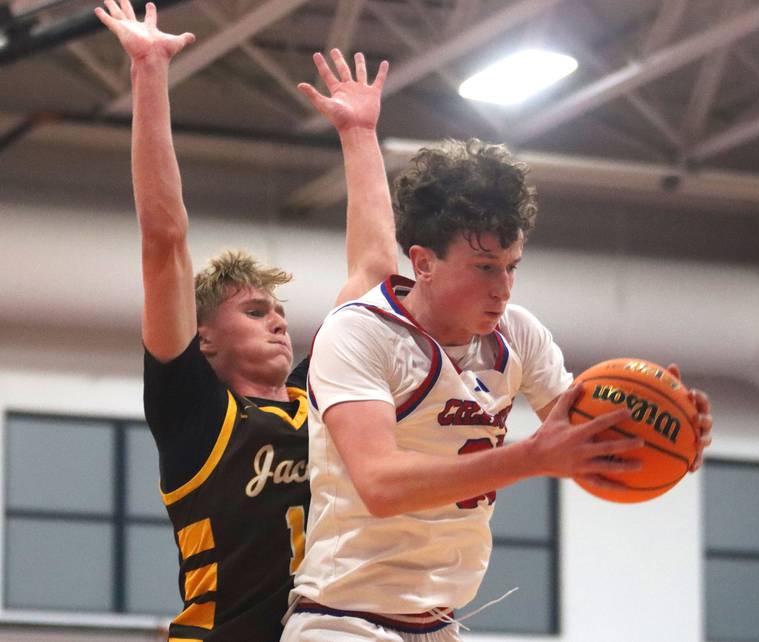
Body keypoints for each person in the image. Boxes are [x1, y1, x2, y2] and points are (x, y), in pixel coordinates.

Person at [282, 139, 714, 641]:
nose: (503, 288)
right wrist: (530, 458)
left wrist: (669, 436)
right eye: (485, 267)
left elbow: (584, 440)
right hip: (343, 623)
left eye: (512, 266)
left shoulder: (519, 333)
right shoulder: (360, 333)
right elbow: (381, 484)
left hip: (440, 625)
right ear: (422, 262)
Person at [94, 1, 396, 640]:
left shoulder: (319, 399)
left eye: (282, 312)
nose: (279, 324)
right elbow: (164, 238)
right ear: (204, 336)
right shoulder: (193, 410)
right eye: (255, 311)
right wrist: (150, 70)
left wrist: (360, 135)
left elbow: (373, 271)